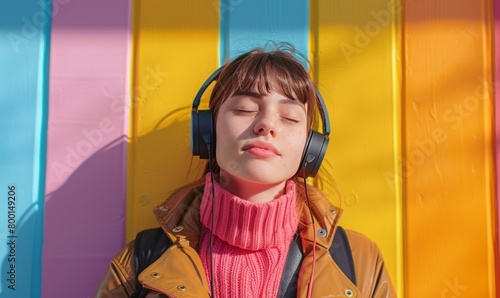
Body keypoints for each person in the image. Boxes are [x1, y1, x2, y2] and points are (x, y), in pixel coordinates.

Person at [95, 43, 396, 298]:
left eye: (290, 117)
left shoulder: (358, 260)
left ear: (310, 149)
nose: (266, 125)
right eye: (243, 109)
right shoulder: (144, 259)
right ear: (207, 131)